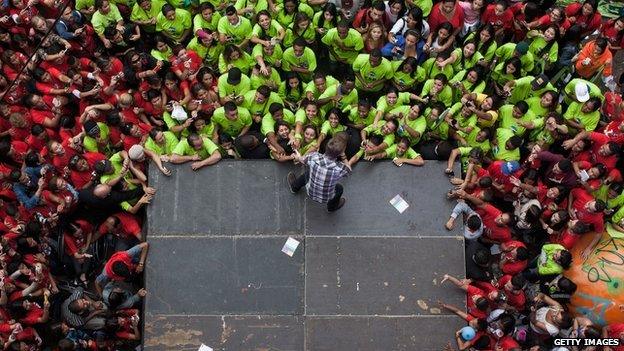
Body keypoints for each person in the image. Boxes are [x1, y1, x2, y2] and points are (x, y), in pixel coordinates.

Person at [287, 136, 351, 212]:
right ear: (340, 152)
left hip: (310, 192)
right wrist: (343, 156)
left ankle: (294, 187)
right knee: (339, 188)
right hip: (326, 198)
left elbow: (301, 159)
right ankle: (331, 207)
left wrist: (297, 153)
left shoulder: (314, 157)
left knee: (308, 173)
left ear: (326, 146)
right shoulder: (340, 168)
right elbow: (349, 170)